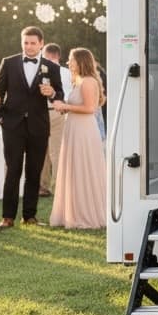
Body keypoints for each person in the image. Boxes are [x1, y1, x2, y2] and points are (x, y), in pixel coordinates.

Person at [0, 26, 63, 229]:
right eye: (25, 42)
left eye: (33, 43)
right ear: (21, 42)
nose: (29, 46)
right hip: (12, 126)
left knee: (34, 172)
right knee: (13, 170)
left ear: (41, 43)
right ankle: (7, 217)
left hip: (38, 126)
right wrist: (0, 117)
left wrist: (51, 93)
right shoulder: (8, 63)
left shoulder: (52, 67)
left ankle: (29, 215)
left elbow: (59, 95)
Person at [50, 48, 107, 229]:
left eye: (71, 60)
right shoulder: (79, 81)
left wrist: (64, 105)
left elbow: (90, 108)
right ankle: (72, 211)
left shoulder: (89, 82)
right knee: (74, 169)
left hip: (84, 130)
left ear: (81, 61)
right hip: (74, 127)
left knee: (83, 168)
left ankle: (86, 214)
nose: (69, 63)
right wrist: (64, 107)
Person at [39, 43, 74, 197]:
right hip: (60, 112)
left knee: (43, 152)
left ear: (45, 55)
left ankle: (43, 187)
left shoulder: (40, 71)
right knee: (57, 151)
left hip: (42, 113)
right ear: (59, 56)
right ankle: (58, 186)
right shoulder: (68, 73)